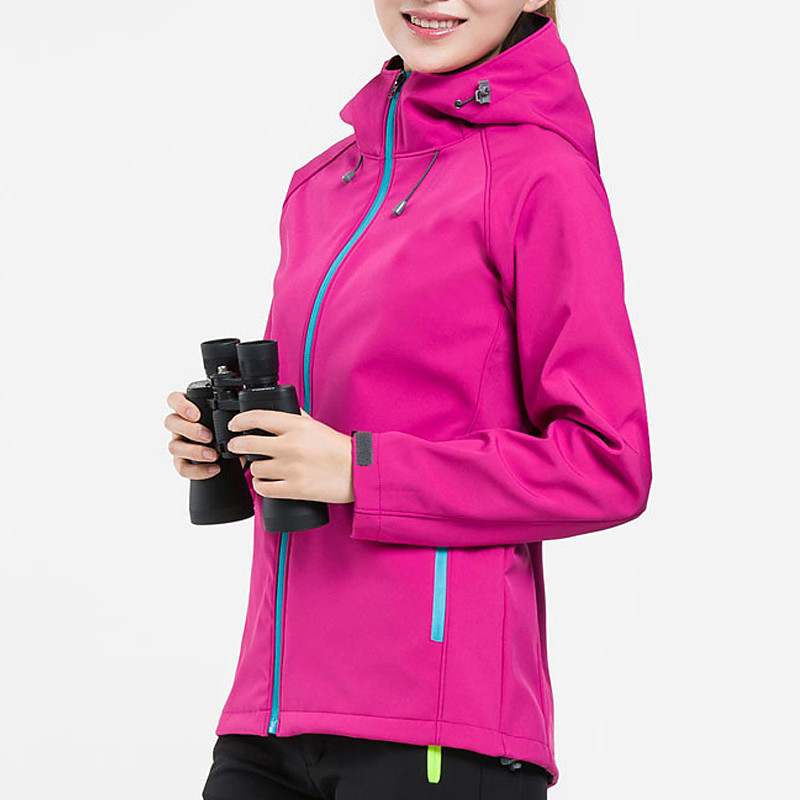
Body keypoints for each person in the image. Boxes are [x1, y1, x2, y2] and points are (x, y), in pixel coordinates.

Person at [164, 1, 652, 797]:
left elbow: (608, 464)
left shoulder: (541, 175)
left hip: (435, 733)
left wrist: (360, 471)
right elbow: (322, 441)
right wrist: (233, 449)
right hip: (269, 719)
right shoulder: (320, 185)